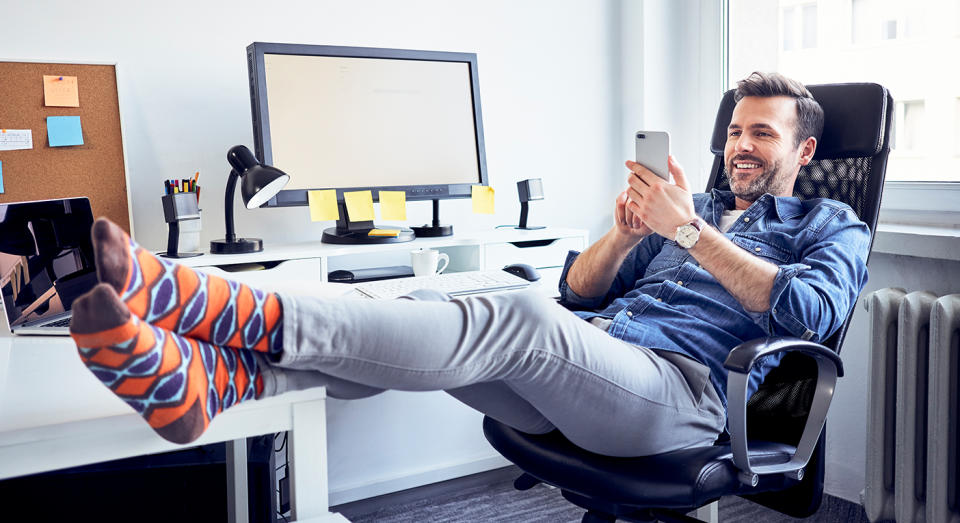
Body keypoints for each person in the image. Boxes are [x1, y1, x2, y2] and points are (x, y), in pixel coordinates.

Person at [68, 72, 870, 456]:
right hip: (598, 367)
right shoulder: (684, 210)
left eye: (761, 133)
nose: (739, 144)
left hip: (690, 399)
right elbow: (575, 290)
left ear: (803, 149)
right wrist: (631, 233)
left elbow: (808, 317)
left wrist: (690, 233)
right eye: (735, 129)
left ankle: (209, 305)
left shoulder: (831, 223)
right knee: (457, 300)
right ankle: (212, 384)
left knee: (513, 318)